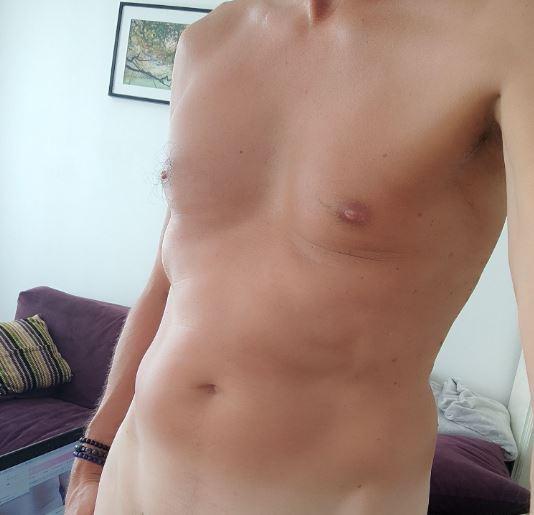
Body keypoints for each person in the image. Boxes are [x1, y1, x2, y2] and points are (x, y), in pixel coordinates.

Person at [65, 1, 534, 513]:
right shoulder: (207, 40)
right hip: (134, 482)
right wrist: (93, 454)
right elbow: (167, 281)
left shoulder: (506, 30)